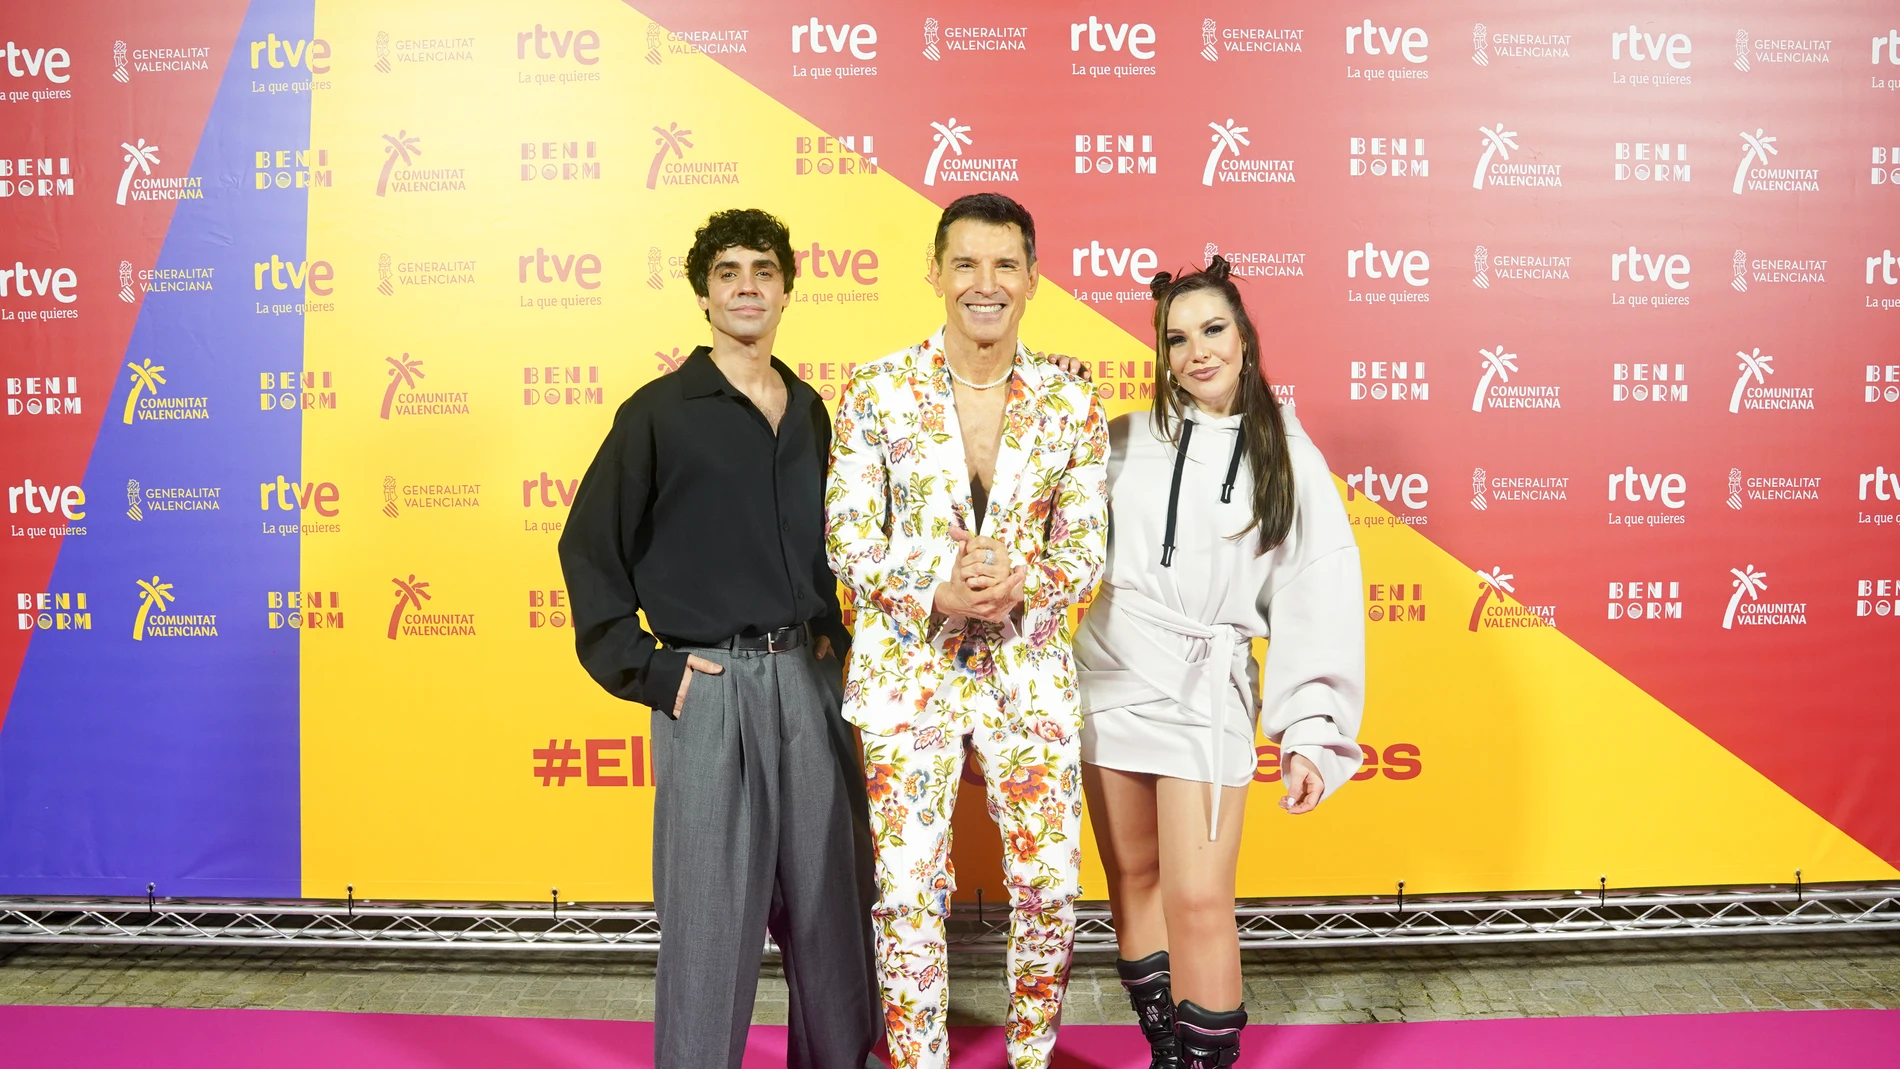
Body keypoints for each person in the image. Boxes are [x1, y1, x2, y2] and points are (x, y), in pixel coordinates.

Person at [558, 208, 880, 1069]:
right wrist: (650, 671)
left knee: (833, 913)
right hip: (711, 685)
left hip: (808, 685)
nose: (747, 284)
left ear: (786, 288)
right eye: (729, 270)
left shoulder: (812, 408)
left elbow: (836, 541)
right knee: (708, 924)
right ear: (704, 292)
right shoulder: (659, 413)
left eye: (763, 270)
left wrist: (831, 639)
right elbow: (588, 546)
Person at [825, 192, 1109, 1069]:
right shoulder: (874, 392)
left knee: (1051, 888)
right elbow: (845, 532)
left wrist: (1032, 582)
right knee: (907, 893)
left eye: (1004, 265)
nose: (985, 285)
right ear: (935, 273)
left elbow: (1088, 544)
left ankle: (1033, 1055)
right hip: (909, 673)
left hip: (1028, 673)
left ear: (1032, 277)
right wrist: (935, 589)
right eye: (966, 264)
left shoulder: (1072, 401)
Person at [1075, 257, 1366, 1069]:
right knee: (1132, 878)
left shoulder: (1290, 457)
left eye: (1212, 330)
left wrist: (1311, 728)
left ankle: (1205, 1062)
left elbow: (1318, 595)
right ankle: (1170, 1049)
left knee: (1200, 895)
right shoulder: (1122, 439)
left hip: (1204, 692)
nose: (1196, 350)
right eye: (1176, 337)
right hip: (1110, 671)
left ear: (1245, 338)